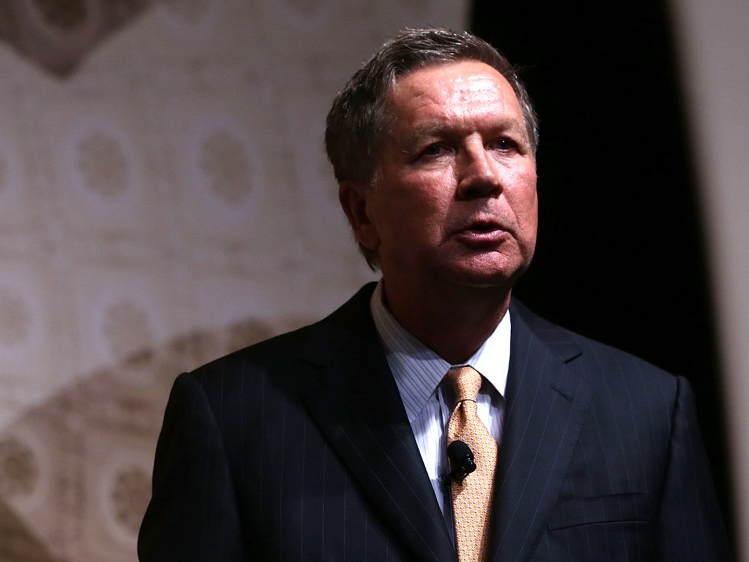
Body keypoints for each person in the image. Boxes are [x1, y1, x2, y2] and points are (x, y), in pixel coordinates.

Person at [137, 28, 730, 561]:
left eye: (505, 144)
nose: (484, 176)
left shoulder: (648, 411)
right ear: (361, 211)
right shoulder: (234, 418)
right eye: (437, 149)